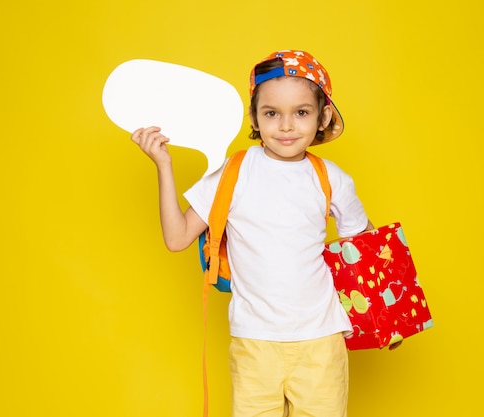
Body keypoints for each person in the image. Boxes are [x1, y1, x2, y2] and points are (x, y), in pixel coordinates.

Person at [131, 50, 374, 417]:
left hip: (322, 342)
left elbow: (364, 249)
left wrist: (388, 320)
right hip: (254, 343)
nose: (286, 126)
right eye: (272, 113)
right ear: (255, 118)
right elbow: (177, 237)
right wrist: (164, 166)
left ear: (323, 116)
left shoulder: (332, 178)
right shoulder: (234, 171)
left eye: (302, 112)